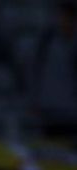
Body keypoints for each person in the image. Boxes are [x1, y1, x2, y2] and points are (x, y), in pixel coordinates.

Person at [29, 1, 77, 140]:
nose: (63, 21)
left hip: (72, 112)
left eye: (67, 17)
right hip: (49, 111)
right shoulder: (46, 41)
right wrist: (34, 99)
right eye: (61, 17)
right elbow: (35, 71)